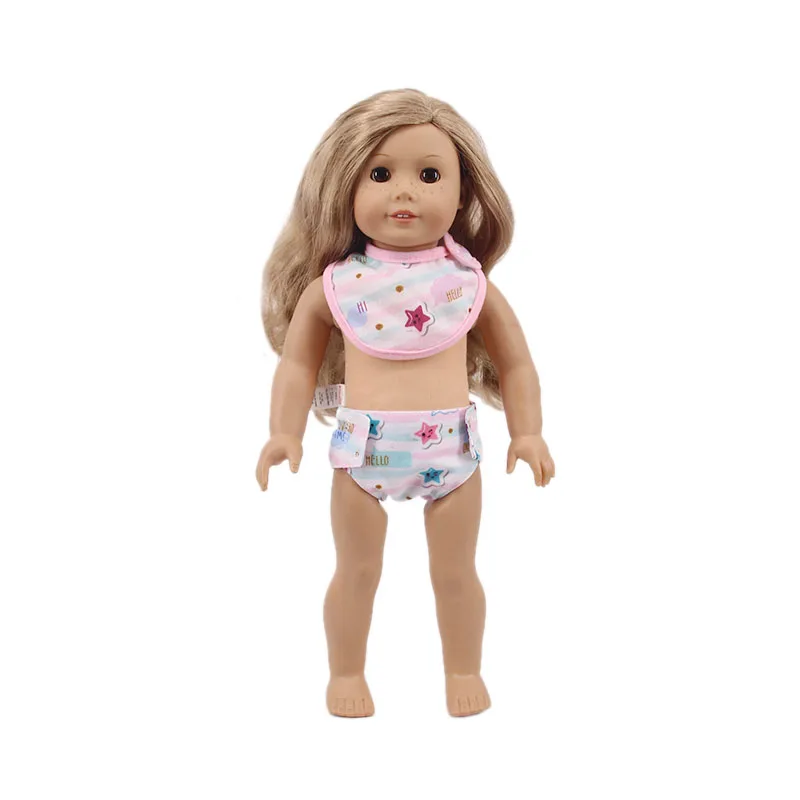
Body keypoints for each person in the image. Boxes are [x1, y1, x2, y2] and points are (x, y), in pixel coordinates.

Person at [256, 88, 555, 717]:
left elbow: (517, 363)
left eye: (429, 175)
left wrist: (527, 432)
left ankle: (463, 669)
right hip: (364, 451)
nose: (405, 192)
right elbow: (298, 364)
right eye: (380, 174)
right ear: (345, 186)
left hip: (451, 452)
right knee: (356, 571)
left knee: (456, 572)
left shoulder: (467, 285)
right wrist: (285, 432)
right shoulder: (336, 287)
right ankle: (345, 673)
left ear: (463, 193)